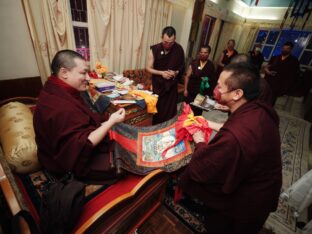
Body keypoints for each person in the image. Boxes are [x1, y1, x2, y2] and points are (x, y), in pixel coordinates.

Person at [179, 62, 282, 234]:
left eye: (220, 86)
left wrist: (199, 140)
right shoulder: (257, 109)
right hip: (263, 187)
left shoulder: (235, 137)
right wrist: (208, 122)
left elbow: (202, 168)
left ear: (237, 94)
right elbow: (233, 127)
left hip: (248, 201)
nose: (216, 88)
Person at [33, 50, 126, 182]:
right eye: (83, 73)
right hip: (66, 162)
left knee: (119, 139)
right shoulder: (59, 106)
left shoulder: (56, 87)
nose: (88, 78)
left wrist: (108, 119)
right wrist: (110, 122)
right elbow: (83, 144)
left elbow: (83, 117)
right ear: (64, 73)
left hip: (70, 146)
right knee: (123, 163)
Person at [146, 26, 185, 125]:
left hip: (171, 88)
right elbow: (148, 68)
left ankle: (167, 132)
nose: (168, 45)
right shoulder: (155, 49)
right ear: (161, 38)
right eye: (165, 42)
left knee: (169, 114)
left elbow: (181, 67)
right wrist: (161, 73)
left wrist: (175, 73)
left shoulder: (179, 49)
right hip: (158, 87)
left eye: (171, 43)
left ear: (175, 39)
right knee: (157, 113)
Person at [184, 45, 215, 115]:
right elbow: (187, 76)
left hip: (202, 93)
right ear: (199, 53)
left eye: (205, 52)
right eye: (201, 52)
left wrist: (207, 80)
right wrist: (185, 89)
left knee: (198, 111)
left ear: (209, 54)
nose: (203, 54)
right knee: (188, 109)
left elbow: (212, 80)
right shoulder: (194, 63)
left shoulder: (211, 65)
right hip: (191, 90)